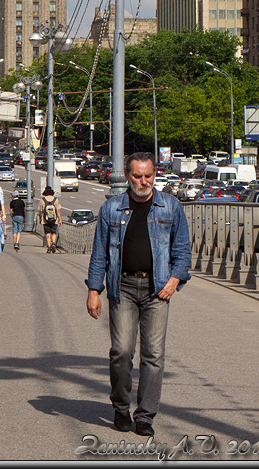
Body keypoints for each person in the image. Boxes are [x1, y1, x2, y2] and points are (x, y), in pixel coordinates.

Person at [85, 151, 191, 437]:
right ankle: (121, 408)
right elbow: (99, 255)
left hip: (158, 290)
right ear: (127, 175)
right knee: (121, 351)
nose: (142, 181)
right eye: (136, 176)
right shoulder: (111, 209)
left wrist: (175, 279)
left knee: (153, 355)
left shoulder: (171, 206)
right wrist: (94, 290)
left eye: (148, 175)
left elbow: (182, 251)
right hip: (123, 288)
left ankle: (145, 416)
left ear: (155, 174)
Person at [38, 185, 61, 252]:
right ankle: (53, 243)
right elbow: (58, 211)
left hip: (45, 220)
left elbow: (41, 211)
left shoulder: (42, 200)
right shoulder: (55, 200)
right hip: (54, 219)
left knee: (48, 233)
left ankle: (49, 247)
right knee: (54, 232)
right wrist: (60, 220)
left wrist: (40, 219)